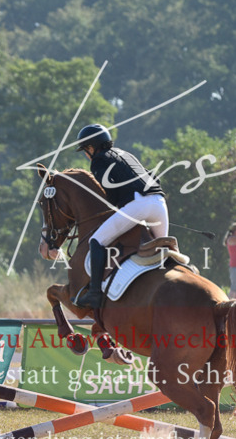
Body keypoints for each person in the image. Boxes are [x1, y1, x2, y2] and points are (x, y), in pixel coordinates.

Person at [72, 123, 169, 309]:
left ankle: (94, 293)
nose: (86, 154)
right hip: (159, 203)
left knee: (96, 241)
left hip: (138, 204)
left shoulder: (99, 161)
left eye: (86, 149)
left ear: (92, 147)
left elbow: (112, 195)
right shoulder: (126, 154)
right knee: (163, 250)